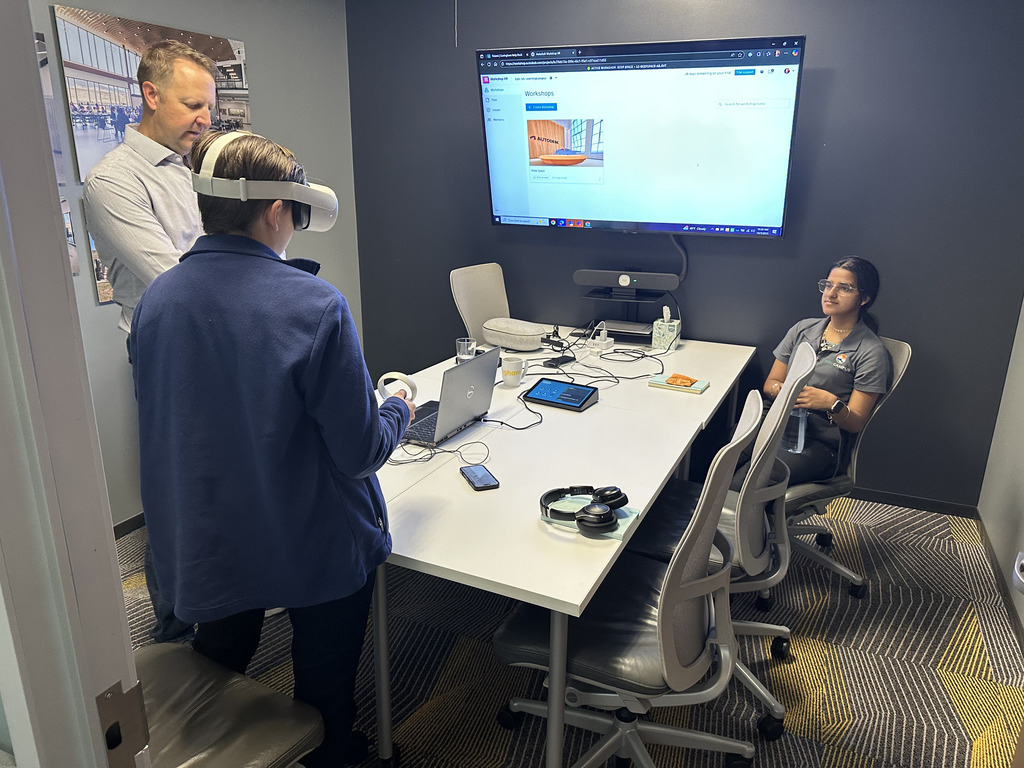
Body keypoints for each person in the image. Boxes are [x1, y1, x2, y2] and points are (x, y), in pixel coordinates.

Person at [128, 129, 415, 767]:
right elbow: (361, 451)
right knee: (324, 681)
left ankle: (213, 740)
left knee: (220, 662)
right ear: (277, 211)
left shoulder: (156, 302)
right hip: (311, 546)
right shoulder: (315, 306)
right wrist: (397, 406)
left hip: (212, 540)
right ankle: (331, 750)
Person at [84, 40, 218, 643]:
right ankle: (172, 628)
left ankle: (225, 594)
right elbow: (176, 279)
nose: (204, 119)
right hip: (168, 350)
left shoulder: (191, 170)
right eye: (192, 104)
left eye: (209, 107)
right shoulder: (114, 182)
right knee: (176, 485)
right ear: (151, 95)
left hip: (218, 335)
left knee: (220, 476)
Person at [762, 256, 893, 485]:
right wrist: (781, 391)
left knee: (755, 478)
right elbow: (771, 382)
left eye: (844, 288)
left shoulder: (871, 352)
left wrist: (830, 403)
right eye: (828, 285)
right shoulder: (803, 329)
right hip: (780, 422)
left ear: (864, 298)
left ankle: (739, 519)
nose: (830, 294)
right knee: (724, 455)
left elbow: (856, 422)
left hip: (821, 442)